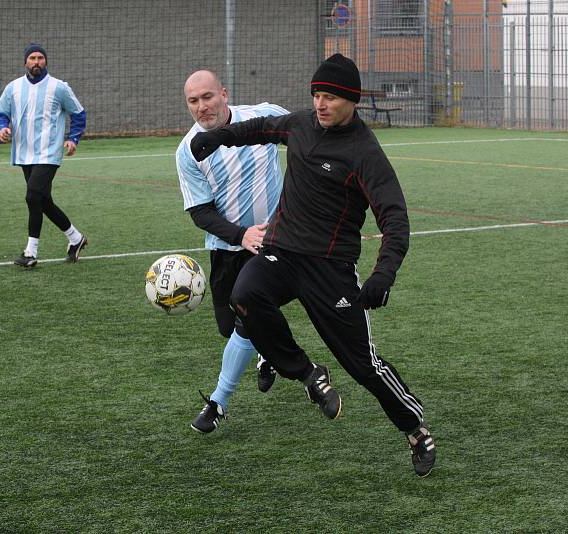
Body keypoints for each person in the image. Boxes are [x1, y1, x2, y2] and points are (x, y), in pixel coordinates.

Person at [190, 54, 436, 477]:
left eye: (330, 97)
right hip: (282, 252)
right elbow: (260, 129)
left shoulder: (364, 153)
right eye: (317, 95)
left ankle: (416, 430)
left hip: (330, 269)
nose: (321, 104)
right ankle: (306, 372)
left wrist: (383, 274)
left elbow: (395, 218)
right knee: (244, 296)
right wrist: (221, 137)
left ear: (351, 101)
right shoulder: (302, 124)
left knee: (363, 366)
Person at [176, 70, 286, 434]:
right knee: (230, 327)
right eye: (194, 101)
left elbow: (302, 132)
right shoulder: (188, 150)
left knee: (248, 316)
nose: (202, 107)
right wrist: (241, 235)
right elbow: (200, 211)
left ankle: (217, 403)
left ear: (223, 94)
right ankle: (267, 353)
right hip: (228, 247)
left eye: (207, 97)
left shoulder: (261, 115)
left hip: (274, 244)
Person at [0, 43, 88, 267]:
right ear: (25, 61)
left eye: (40, 58)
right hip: (24, 154)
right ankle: (75, 238)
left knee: (32, 196)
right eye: (32, 58)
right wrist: (2, 128)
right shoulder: (13, 88)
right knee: (43, 201)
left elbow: (79, 113)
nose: (36, 62)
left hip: (49, 152)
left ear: (46, 61)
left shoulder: (59, 87)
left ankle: (30, 252)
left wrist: (73, 139)